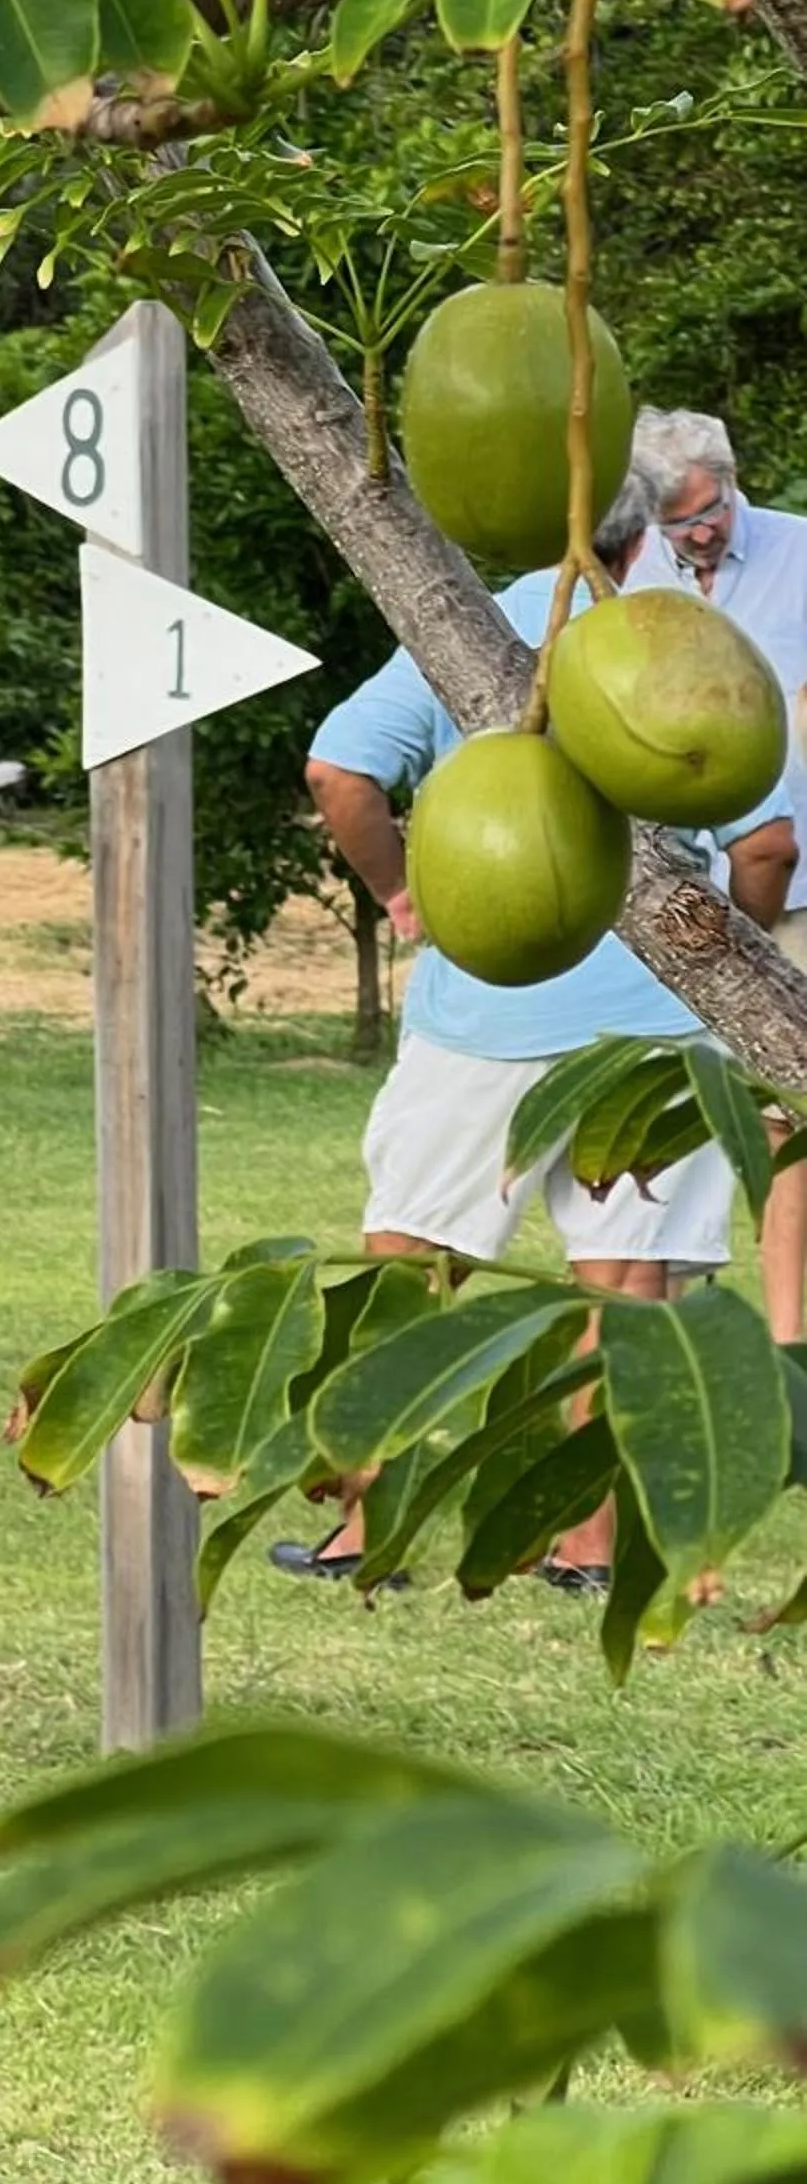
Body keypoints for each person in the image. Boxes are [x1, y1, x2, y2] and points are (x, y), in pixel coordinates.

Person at [286, 476, 797, 1591]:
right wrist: (727, 960)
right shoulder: (678, 647)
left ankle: (363, 1533)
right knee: (626, 1291)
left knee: (410, 1266)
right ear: (642, 536)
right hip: (659, 1039)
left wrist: (403, 893)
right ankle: (587, 1548)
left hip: (485, 1016)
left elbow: (338, 768)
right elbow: (767, 844)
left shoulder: (466, 633)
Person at [629, 407, 807, 1342]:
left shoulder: (800, 554)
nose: (700, 533)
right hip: (677, 901)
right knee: (685, 1119)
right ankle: (687, 1325)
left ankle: (786, 1338)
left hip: (797, 885)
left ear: (732, 480)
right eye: (679, 521)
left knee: (790, 1117)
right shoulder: (628, 581)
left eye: (711, 510)